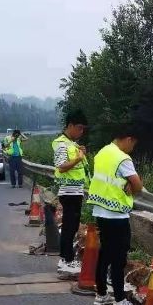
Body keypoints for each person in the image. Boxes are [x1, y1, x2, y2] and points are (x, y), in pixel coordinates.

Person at [87, 127, 143, 305]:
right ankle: (119, 300)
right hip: (117, 214)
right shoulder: (122, 158)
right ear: (128, 138)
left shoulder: (103, 152)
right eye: (133, 144)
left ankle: (101, 294)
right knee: (119, 258)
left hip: (101, 211)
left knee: (105, 254)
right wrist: (131, 186)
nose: (132, 148)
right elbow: (138, 185)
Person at [52, 110, 89, 273]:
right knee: (69, 227)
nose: (81, 132)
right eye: (79, 128)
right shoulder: (61, 143)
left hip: (76, 191)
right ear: (70, 125)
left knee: (72, 226)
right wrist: (78, 158)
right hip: (69, 192)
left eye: (83, 129)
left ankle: (68, 259)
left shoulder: (71, 144)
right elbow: (61, 165)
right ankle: (65, 260)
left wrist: (80, 153)